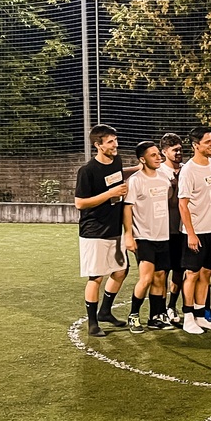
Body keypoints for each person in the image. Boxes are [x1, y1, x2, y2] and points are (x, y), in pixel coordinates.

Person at [75, 124, 129, 337]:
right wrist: (110, 193)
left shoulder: (116, 160)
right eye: (110, 142)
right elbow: (80, 203)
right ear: (98, 145)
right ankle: (93, 323)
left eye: (115, 140)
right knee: (96, 277)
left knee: (120, 271)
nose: (115, 145)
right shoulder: (87, 171)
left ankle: (106, 311)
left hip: (115, 227)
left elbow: (118, 176)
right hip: (94, 230)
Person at [177, 127, 211, 335]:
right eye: (208, 142)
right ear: (196, 145)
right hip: (196, 231)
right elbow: (182, 204)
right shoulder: (188, 171)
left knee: (206, 273)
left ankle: (199, 314)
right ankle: (187, 316)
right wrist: (191, 233)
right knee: (192, 274)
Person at [123, 140, 173, 332]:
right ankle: (133, 315)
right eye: (153, 155)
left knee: (160, 277)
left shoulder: (164, 178)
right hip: (144, 236)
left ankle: (155, 317)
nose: (158, 157)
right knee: (145, 278)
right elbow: (128, 208)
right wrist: (129, 235)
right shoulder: (136, 180)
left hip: (163, 235)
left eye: (158, 153)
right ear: (142, 159)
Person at [157, 133, 185, 325]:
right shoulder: (159, 172)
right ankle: (159, 310)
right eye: (174, 150)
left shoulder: (186, 169)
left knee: (179, 270)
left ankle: (172, 306)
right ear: (164, 152)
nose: (178, 153)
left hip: (182, 230)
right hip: (163, 230)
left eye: (180, 149)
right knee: (161, 272)